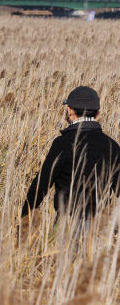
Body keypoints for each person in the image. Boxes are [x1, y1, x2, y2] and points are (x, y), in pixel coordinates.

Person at [22, 86, 120, 226]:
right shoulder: (112, 146)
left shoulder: (62, 143)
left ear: (70, 110)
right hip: (100, 227)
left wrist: (24, 218)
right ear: (97, 114)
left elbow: (41, 185)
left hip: (67, 224)